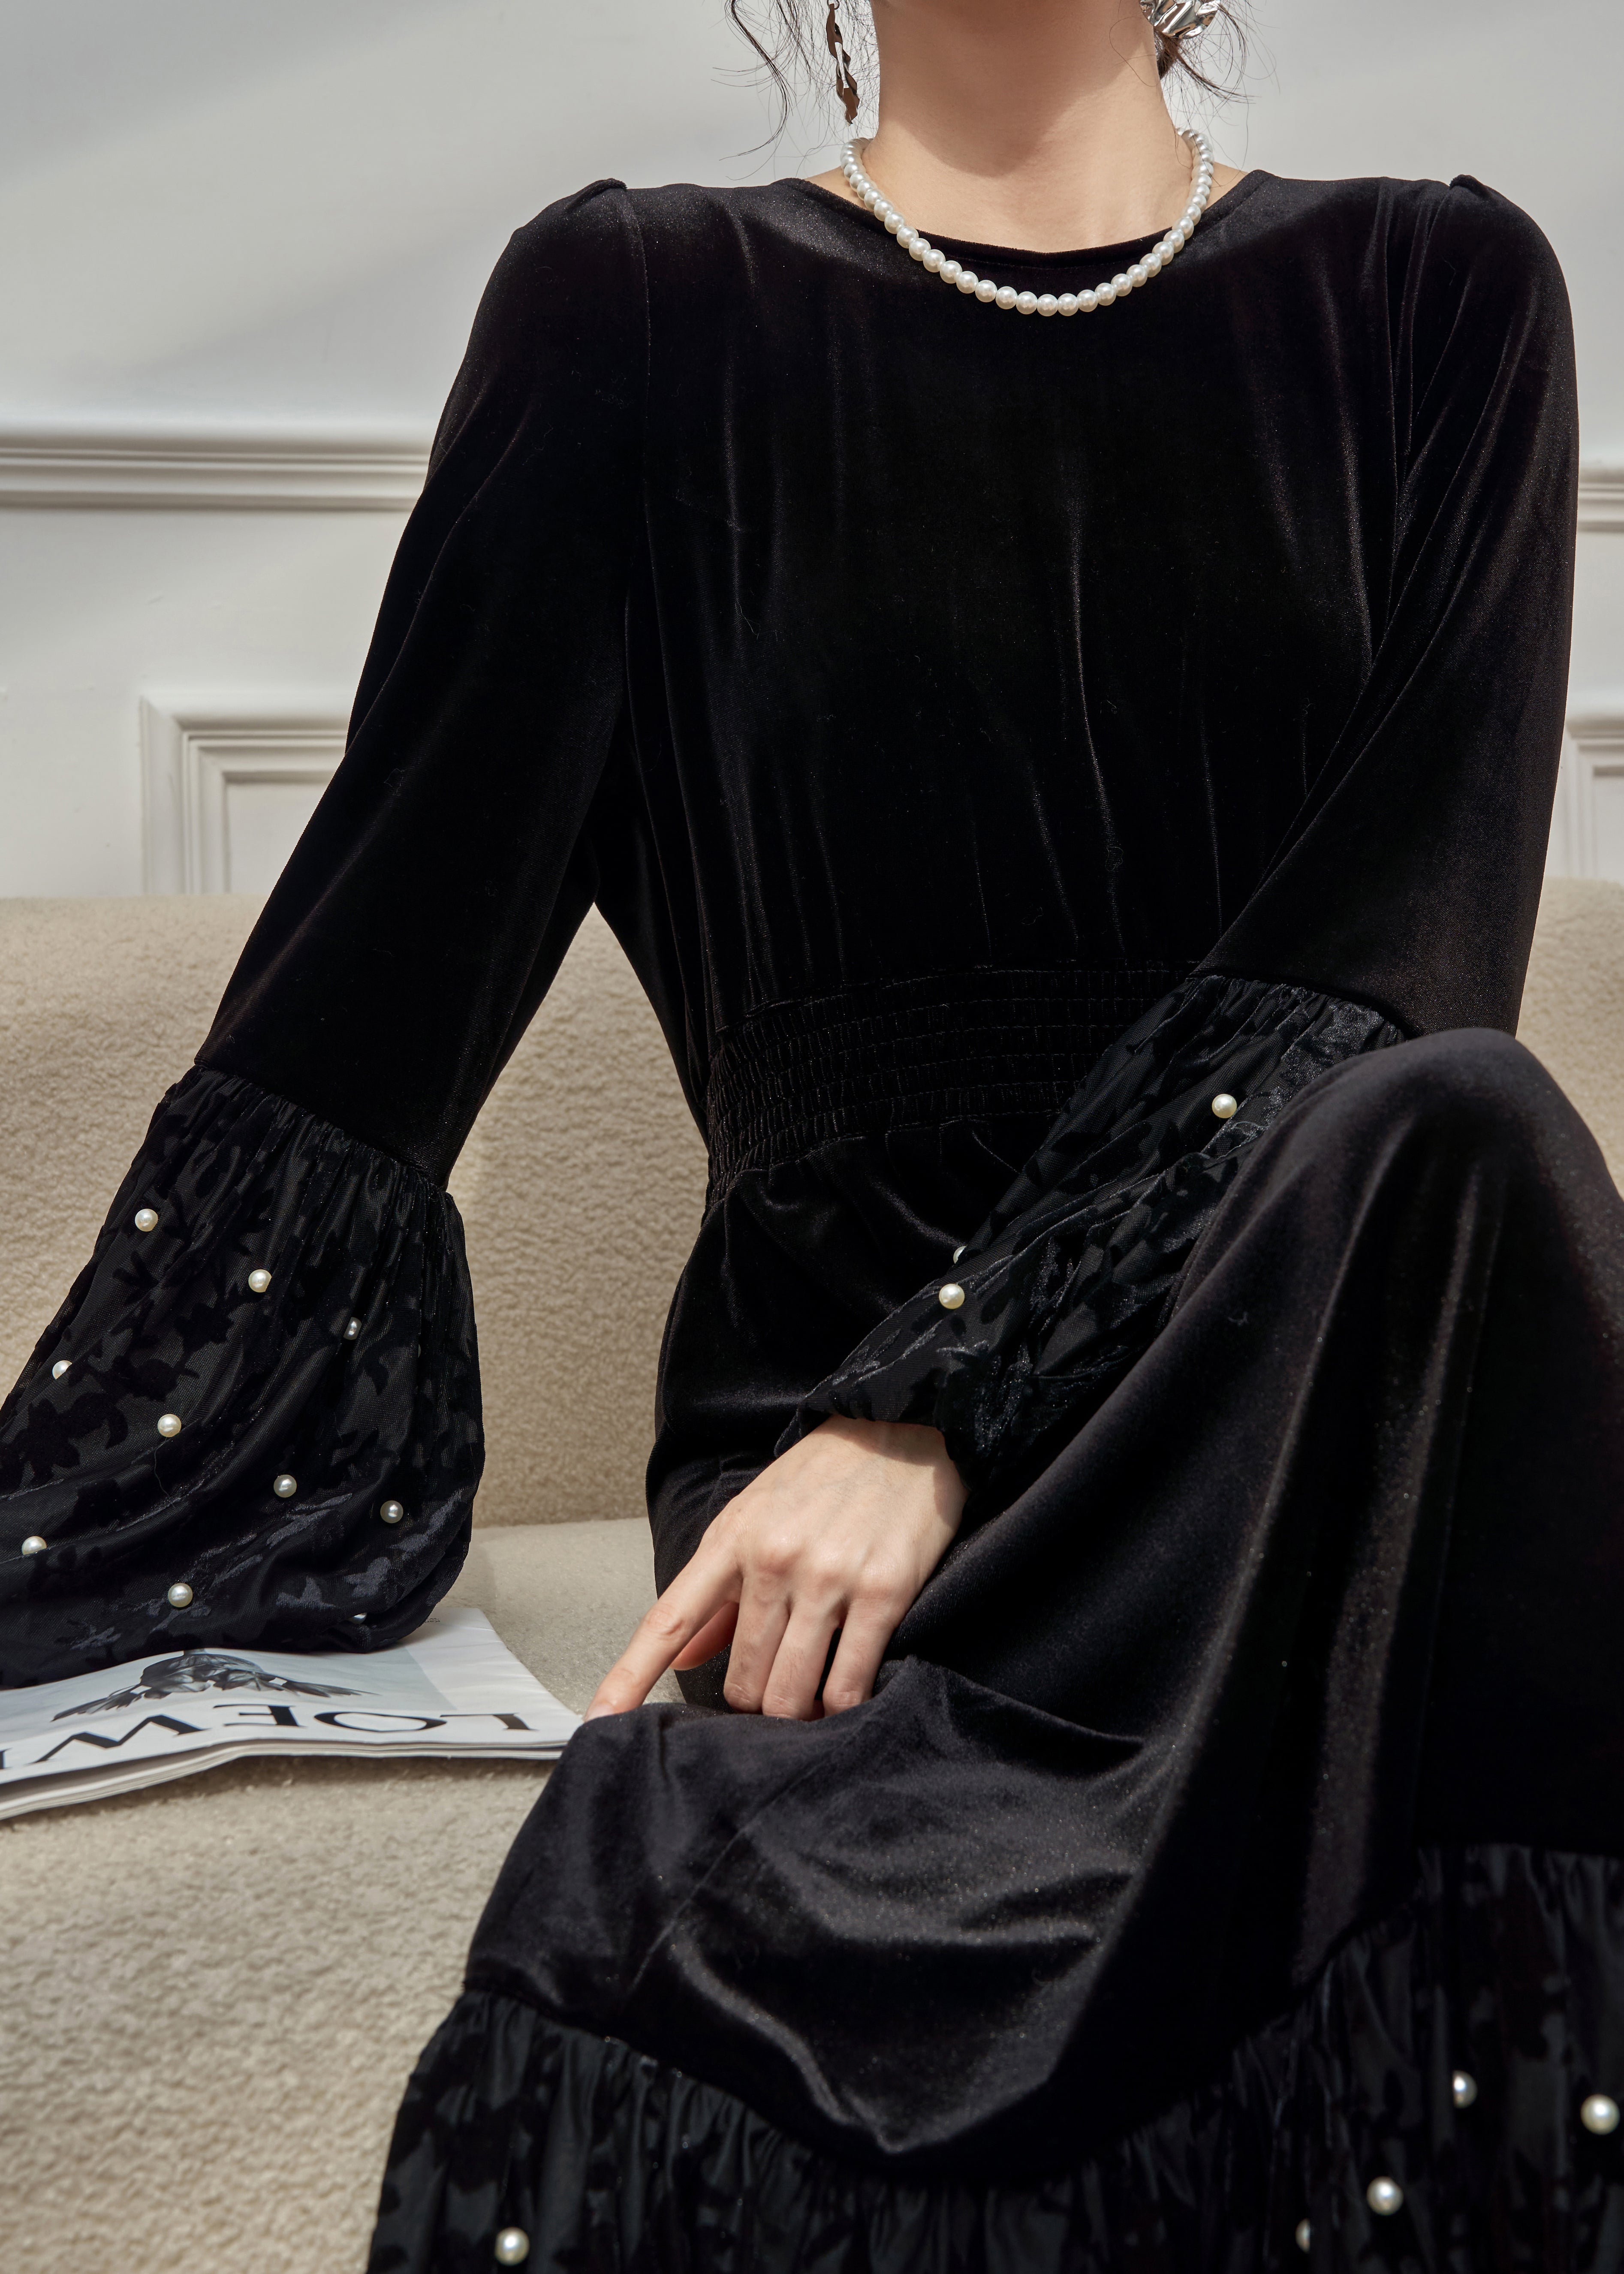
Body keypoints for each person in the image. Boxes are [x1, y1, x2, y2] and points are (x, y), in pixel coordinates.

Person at [1, 0, 1614, 2264]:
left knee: (1463, 1119)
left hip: (1294, 1423)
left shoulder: (1443, 293)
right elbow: (371, 982)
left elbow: (1404, 963)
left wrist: (946, 1392)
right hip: (841, 1484)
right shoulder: (639, 310)